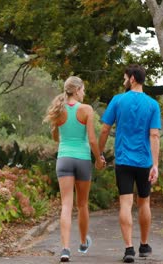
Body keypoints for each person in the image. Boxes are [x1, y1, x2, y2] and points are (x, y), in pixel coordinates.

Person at [98, 64, 161, 263]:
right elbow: (154, 135)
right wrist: (155, 165)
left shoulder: (117, 100)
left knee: (126, 203)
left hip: (123, 160)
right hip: (144, 162)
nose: (124, 81)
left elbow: (104, 130)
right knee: (144, 202)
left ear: (132, 78)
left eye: (125, 77)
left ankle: (128, 249)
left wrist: (99, 153)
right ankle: (143, 245)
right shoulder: (152, 104)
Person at [44, 76, 105, 262]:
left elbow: (56, 138)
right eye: (83, 90)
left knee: (66, 205)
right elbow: (93, 140)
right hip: (83, 159)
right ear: (77, 90)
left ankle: (64, 249)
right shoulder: (86, 109)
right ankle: (83, 242)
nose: (84, 93)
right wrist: (99, 158)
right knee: (83, 204)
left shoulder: (59, 110)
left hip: (64, 159)